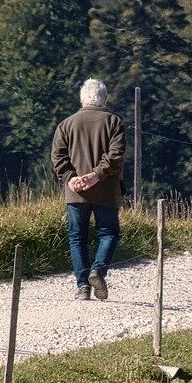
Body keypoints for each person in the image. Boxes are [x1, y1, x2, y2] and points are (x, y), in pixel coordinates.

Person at [51, 78, 125, 300]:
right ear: (105, 98)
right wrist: (97, 175)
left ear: (82, 98)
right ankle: (98, 270)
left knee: (77, 237)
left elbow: (58, 156)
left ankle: (83, 286)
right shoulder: (114, 122)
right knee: (109, 233)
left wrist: (70, 178)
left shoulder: (66, 124)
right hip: (106, 191)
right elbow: (116, 156)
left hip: (76, 193)